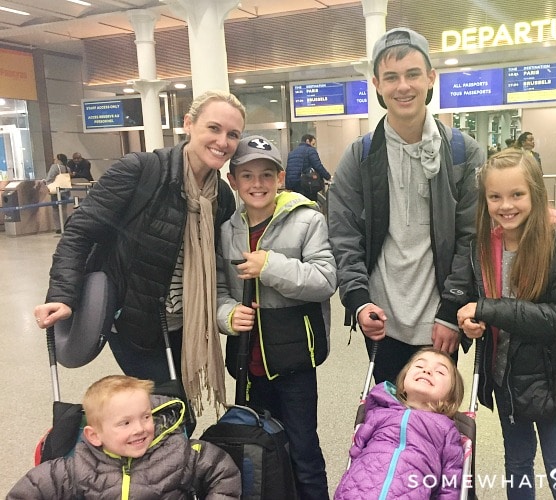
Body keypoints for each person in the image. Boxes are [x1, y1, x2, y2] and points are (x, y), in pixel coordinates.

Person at [34, 90, 244, 413]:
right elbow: (80, 230)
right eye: (213, 128)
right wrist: (62, 295)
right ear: (188, 124)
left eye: (233, 135)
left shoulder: (222, 198)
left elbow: (216, 264)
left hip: (186, 323)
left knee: (174, 414)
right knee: (171, 414)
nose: (222, 141)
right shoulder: (143, 171)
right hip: (136, 323)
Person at [328, 27, 486, 384]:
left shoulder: (463, 153)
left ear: (431, 78)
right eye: (392, 77)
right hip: (383, 321)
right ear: (377, 84)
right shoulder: (361, 156)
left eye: (413, 74)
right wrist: (358, 300)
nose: (403, 86)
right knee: (387, 424)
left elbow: (471, 237)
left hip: (440, 321)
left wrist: (450, 311)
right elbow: (343, 234)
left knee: (435, 423)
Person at [457, 149, 556, 499]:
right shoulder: (483, 246)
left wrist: (488, 309)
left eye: (517, 194)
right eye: (495, 196)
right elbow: (485, 308)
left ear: (536, 193)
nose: (506, 205)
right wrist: (475, 323)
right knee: (517, 468)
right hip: (508, 380)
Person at [216, 135, 336, 499]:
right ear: (233, 181)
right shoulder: (227, 231)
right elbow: (219, 290)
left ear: (280, 178)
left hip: (295, 360)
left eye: (266, 175)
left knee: (303, 450)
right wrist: (226, 315)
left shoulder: (306, 220)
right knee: (258, 445)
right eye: (247, 175)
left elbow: (325, 279)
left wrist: (270, 265)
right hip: (247, 362)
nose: (257, 184)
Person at [7, 375, 241, 498]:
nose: (140, 428)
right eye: (125, 423)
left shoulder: (178, 452)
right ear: (95, 436)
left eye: (146, 417)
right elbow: (29, 490)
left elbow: (223, 473)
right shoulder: (79, 466)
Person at [334, 348, 465, 499]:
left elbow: (451, 480)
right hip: (359, 488)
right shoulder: (381, 411)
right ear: (402, 383)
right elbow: (357, 448)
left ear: (449, 397)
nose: (427, 371)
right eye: (419, 366)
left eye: (440, 372)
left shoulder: (446, 429)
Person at [285, 133, 332, 201]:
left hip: (294, 185)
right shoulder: (310, 150)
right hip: (306, 184)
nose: (313, 146)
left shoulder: (292, 153)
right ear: (307, 141)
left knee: (299, 206)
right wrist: (328, 177)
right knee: (310, 206)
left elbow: (288, 170)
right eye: (313, 144)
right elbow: (318, 166)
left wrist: (288, 186)